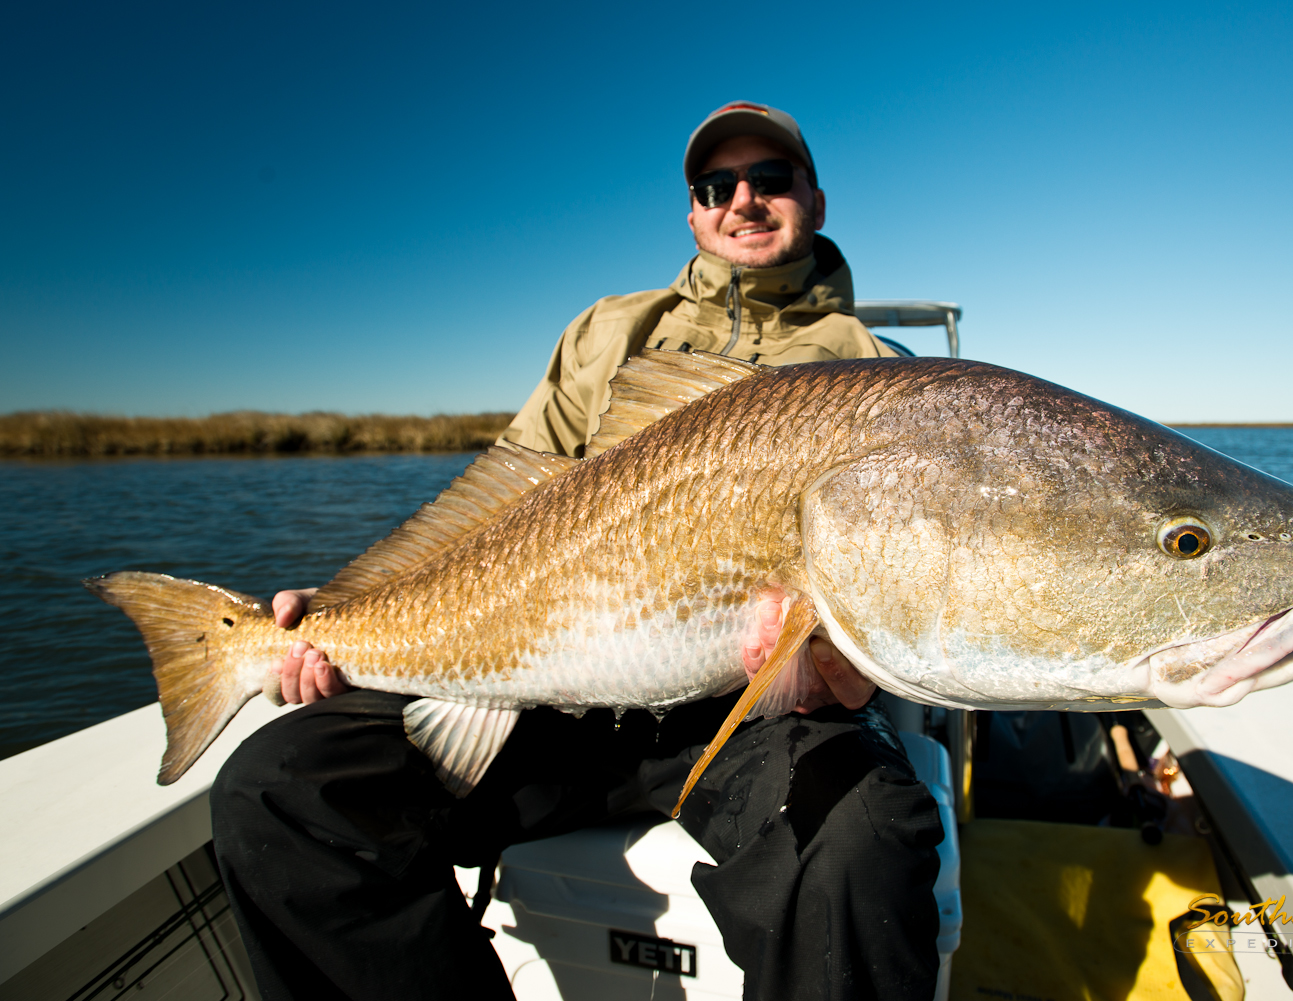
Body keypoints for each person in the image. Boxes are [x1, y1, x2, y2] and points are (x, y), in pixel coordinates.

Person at [211, 102, 944, 1001]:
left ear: (815, 199)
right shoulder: (610, 330)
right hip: (541, 691)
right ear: (694, 214)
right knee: (278, 791)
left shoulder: (872, 368)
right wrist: (356, 602)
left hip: (748, 714)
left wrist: (865, 665)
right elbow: (505, 496)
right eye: (718, 186)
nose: (744, 199)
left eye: (771, 179)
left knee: (866, 837)